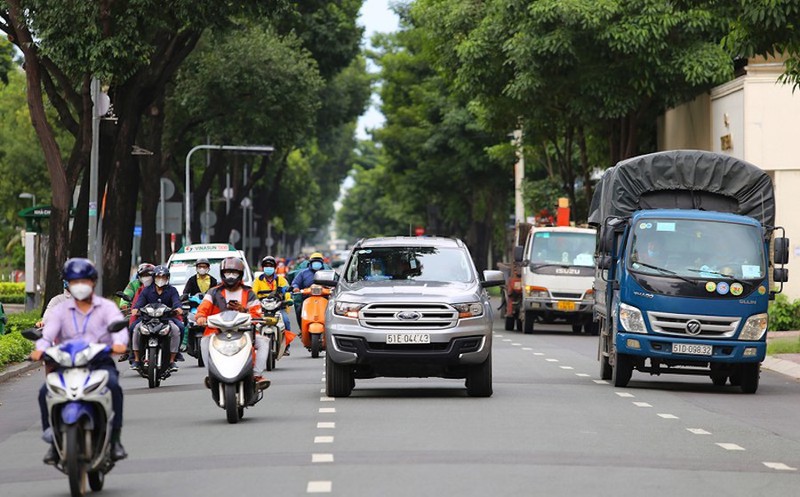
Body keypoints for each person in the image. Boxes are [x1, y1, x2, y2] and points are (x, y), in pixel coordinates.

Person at [30, 258, 128, 464]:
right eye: (74, 281)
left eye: (84, 280)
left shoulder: (106, 307)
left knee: (113, 387)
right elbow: (47, 335)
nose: (79, 285)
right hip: (66, 364)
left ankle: (116, 440)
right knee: (44, 392)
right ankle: (52, 440)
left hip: (99, 362)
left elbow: (118, 327)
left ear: (93, 282)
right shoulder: (59, 310)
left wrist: (119, 344)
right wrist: (40, 350)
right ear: (67, 284)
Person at [195, 257, 270, 389]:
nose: (230, 276)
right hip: (218, 331)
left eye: (234, 273)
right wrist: (201, 317)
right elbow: (203, 308)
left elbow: (256, 312)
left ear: (240, 274)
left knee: (264, 342)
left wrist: (243, 309)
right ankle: (211, 374)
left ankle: (257, 375)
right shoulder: (214, 292)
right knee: (204, 342)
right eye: (227, 272)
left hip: (244, 331)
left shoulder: (249, 293)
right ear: (222, 273)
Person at [130, 265, 183, 372]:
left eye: (164, 277)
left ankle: (172, 360)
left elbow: (176, 301)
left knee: (179, 329)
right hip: (147, 319)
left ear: (167, 278)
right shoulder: (146, 291)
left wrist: (178, 308)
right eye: (159, 277)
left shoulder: (172, 290)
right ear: (154, 278)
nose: (161, 279)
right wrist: (135, 309)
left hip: (166, 319)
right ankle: (135, 358)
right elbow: (139, 302)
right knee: (133, 328)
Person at [252, 255, 296, 355]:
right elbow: (253, 293)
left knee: (285, 321)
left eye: (271, 266)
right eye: (266, 266)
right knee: (253, 322)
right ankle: (253, 344)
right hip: (263, 308)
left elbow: (287, 291)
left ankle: (286, 346)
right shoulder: (258, 280)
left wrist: (288, 300)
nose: (268, 268)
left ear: (275, 268)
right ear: (263, 268)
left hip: (278, 307)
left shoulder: (281, 280)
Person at [117, 263, 155, 362]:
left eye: (149, 275)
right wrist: (125, 305)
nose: (146, 278)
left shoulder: (158, 285)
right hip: (137, 312)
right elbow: (126, 296)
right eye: (143, 275)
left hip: (155, 313)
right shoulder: (134, 285)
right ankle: (127, 350)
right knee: (126, 324)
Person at [291, 252, 328, 325]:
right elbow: (295, 283)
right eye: (315, 262)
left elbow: (336, 282)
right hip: (307, 298)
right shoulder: (303, 273)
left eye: (318, 262)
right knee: (299, 310)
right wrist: (296, 288)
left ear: (322, 263)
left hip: (325, 298)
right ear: (311, 263)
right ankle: (302, 329)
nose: (316, 264)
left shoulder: (327, 273)